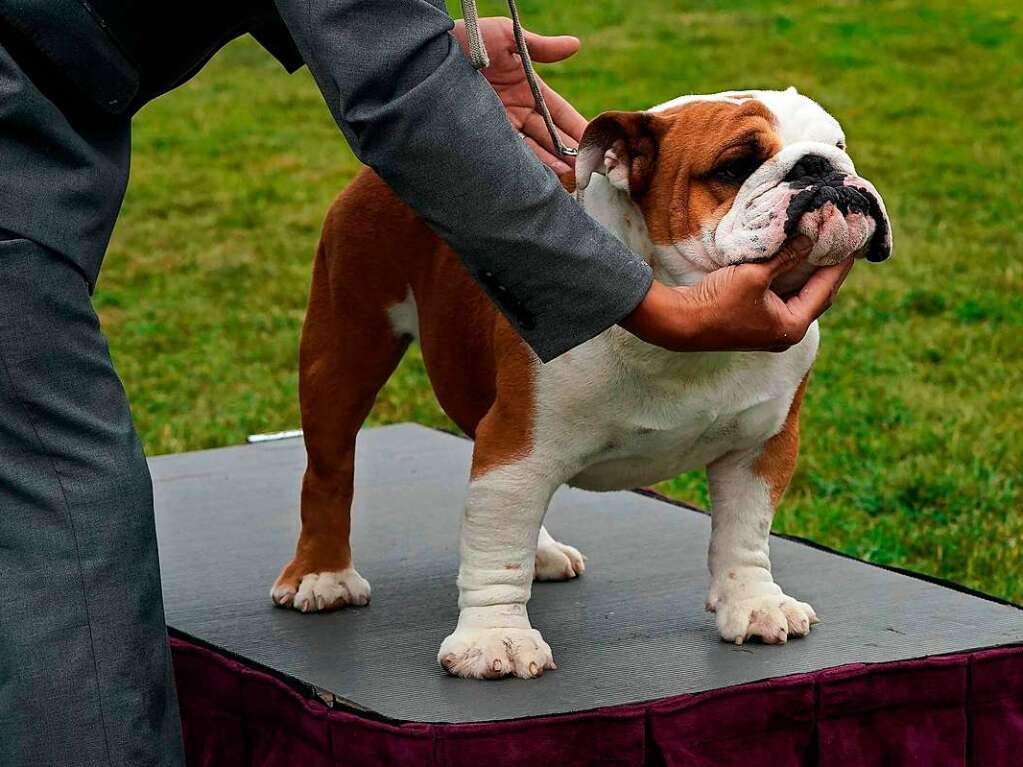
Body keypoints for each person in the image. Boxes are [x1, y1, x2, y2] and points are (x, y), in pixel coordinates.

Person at [0, 3, 853, 765]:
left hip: (63, 93)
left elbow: (762, 439)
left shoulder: (785, 326)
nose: (812, 184)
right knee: (69, 483)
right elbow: (384, 81)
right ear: (628, 174)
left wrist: (412, 47)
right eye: (739, 167)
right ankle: (323, 534)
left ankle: (740, 573)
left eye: (831, 157)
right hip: (30, 111)